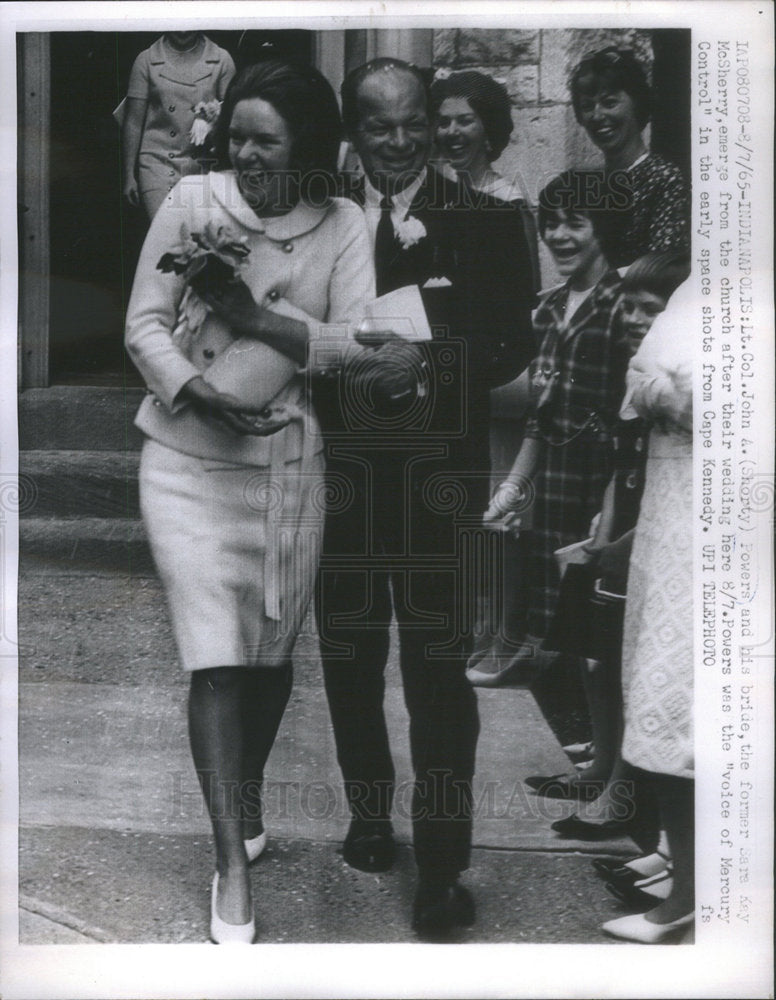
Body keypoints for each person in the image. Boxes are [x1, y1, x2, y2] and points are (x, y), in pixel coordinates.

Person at [124, 58, 374, 943]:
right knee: (216, 659)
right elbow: (143, 323)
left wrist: (251, 313)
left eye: (265, 141)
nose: (247, 155)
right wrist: (198, 391)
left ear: (305, 145)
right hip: (185, 461)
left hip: (285, 468)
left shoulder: (343, 222)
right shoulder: (193, 205)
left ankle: (246, 799)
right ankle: (231, 860)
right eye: (237, 138)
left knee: (267, 659)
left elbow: (352, 348)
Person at [316, 57, 536, 939]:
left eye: (414, 123)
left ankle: (442, 868)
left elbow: (512, 339)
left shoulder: (487, 220)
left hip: (440, 480)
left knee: (439, 672)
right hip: (344, 475)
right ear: (353, 132)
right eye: (380, 127)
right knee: (349, 656)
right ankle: (371, 815)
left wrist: (431, 360)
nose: (401, 142)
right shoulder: (326, 220)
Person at [468, 172, 629, 803]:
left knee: (603, 645)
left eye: (576, 223)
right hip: (555, 489)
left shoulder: (623, 306)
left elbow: (629, 422)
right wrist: (512, 487)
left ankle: (620, 781)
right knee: (568, 639)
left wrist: (614, 513)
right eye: (552, 222)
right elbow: (540, 415)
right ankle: (597, 768)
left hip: (604, 492)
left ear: (602, 230)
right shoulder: (549, 307)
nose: (560, 235)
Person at [544, 251, 690, 840]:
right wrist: (601, 537)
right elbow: (620, 468)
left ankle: (624, 795)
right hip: (618, 535)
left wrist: (621, 544)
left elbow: (667, 485)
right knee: (594, 659)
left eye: (649, 309)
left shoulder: (676, 376)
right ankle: (604, 766)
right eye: (628, 306)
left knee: (628, 668)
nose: (633, 318)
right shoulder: (636, 371)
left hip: (648, 542)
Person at [601, 277, 694, 943]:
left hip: (717, 520)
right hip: (674, 509)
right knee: (661, 689)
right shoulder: (696, 290)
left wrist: (664, 389)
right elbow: (636, 383)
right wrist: (658, 387)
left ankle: (694, 891)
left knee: (689, 701)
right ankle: (681, 860)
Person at [569, 46, 690, 267]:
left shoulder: (663, 178)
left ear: (637, 103)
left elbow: (662, 271)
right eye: (587, 106)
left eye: (609, 103)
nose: (597, 116)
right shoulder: (592, 185)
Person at [121, 32, 235, 219]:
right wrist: (129, 176)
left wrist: (212, 121)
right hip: (157, 164)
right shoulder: (147, 60)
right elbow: (133, 122)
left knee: (200, 235)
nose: (183, 30)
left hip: (203, 165)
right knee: (168, 233)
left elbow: (232, 117)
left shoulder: (221, 59)